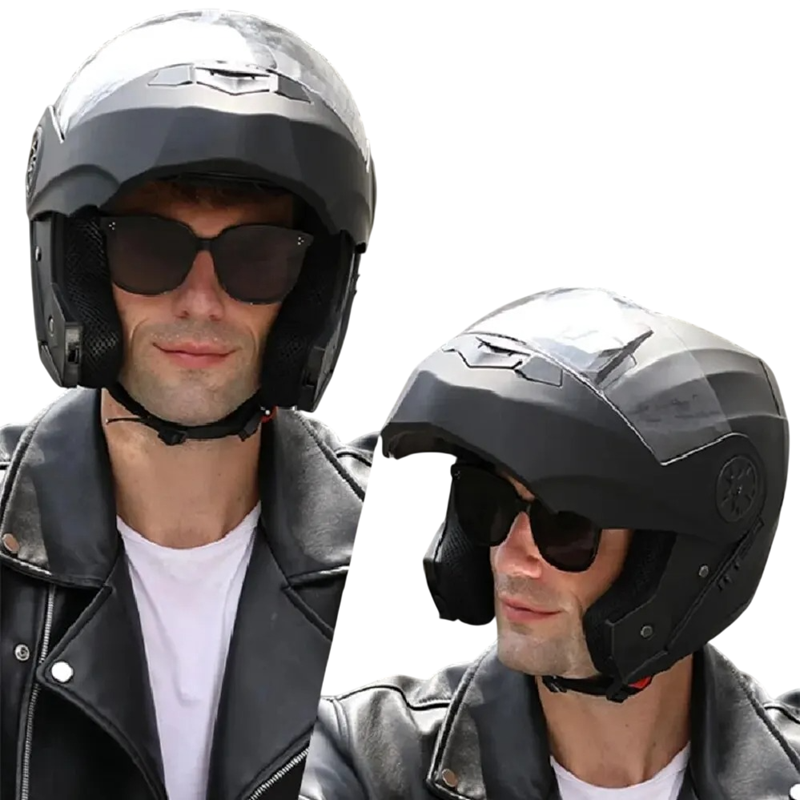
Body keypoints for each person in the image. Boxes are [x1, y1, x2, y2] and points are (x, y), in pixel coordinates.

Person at [1, 10, 377, 800]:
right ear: (79, 268)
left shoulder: (401, 563)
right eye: (150, 248)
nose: (201, 302)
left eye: (258, 257)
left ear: (311, 291)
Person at [300, 287, 800, 800]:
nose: (511, 559)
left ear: (675, 559)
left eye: (565, 524)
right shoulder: (367, 760)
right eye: (487, 503)